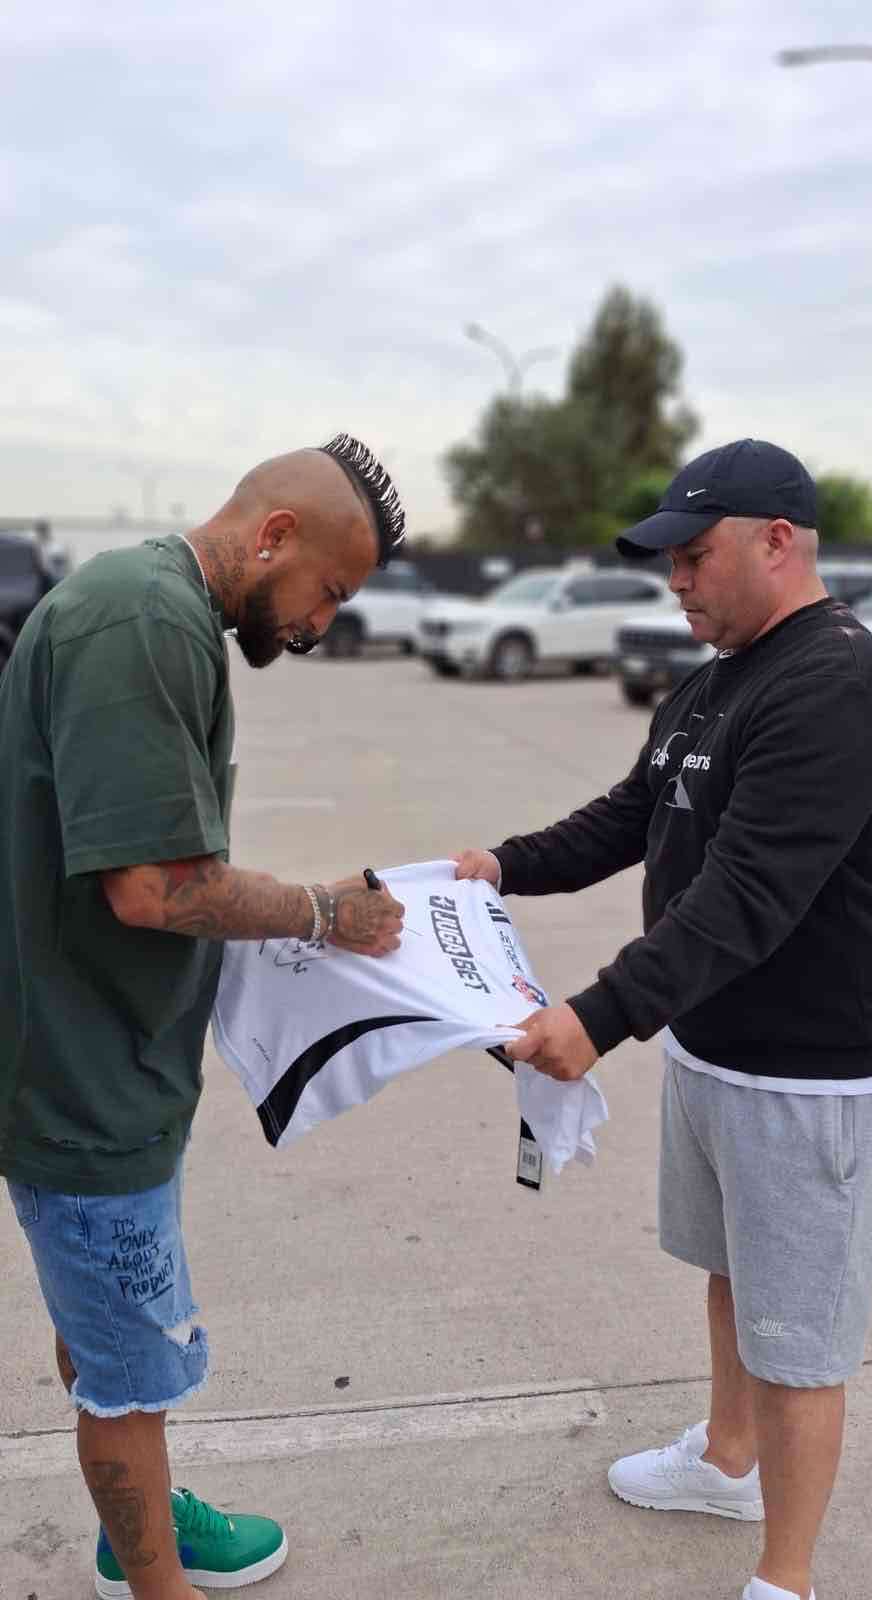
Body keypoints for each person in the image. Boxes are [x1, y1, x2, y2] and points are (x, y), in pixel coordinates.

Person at [455, 438, 872, 1600]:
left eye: (697, 555)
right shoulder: (713, 680)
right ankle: (725, 1458)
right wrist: (497, 865)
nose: (679, 581)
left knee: (799, 1337)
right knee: (730, 1273)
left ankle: (787, 1579)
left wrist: (598, 1017)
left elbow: (750, 890)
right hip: (718, 1047)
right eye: (670, 560)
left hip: (813, 1076)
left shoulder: (840, 681)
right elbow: (630, 818)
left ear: (778, 542)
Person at [0, 435, 406, 1600]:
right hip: (85, 1079)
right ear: (274, 535)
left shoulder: (150, 605)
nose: (325, 622)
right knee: (131, 1366)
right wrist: (328, 912)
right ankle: (153, 1581)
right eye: (329, 590)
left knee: (108, 1335)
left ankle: (134, 1530)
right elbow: (155, 884)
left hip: (95, 1058)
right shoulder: (145, 620)